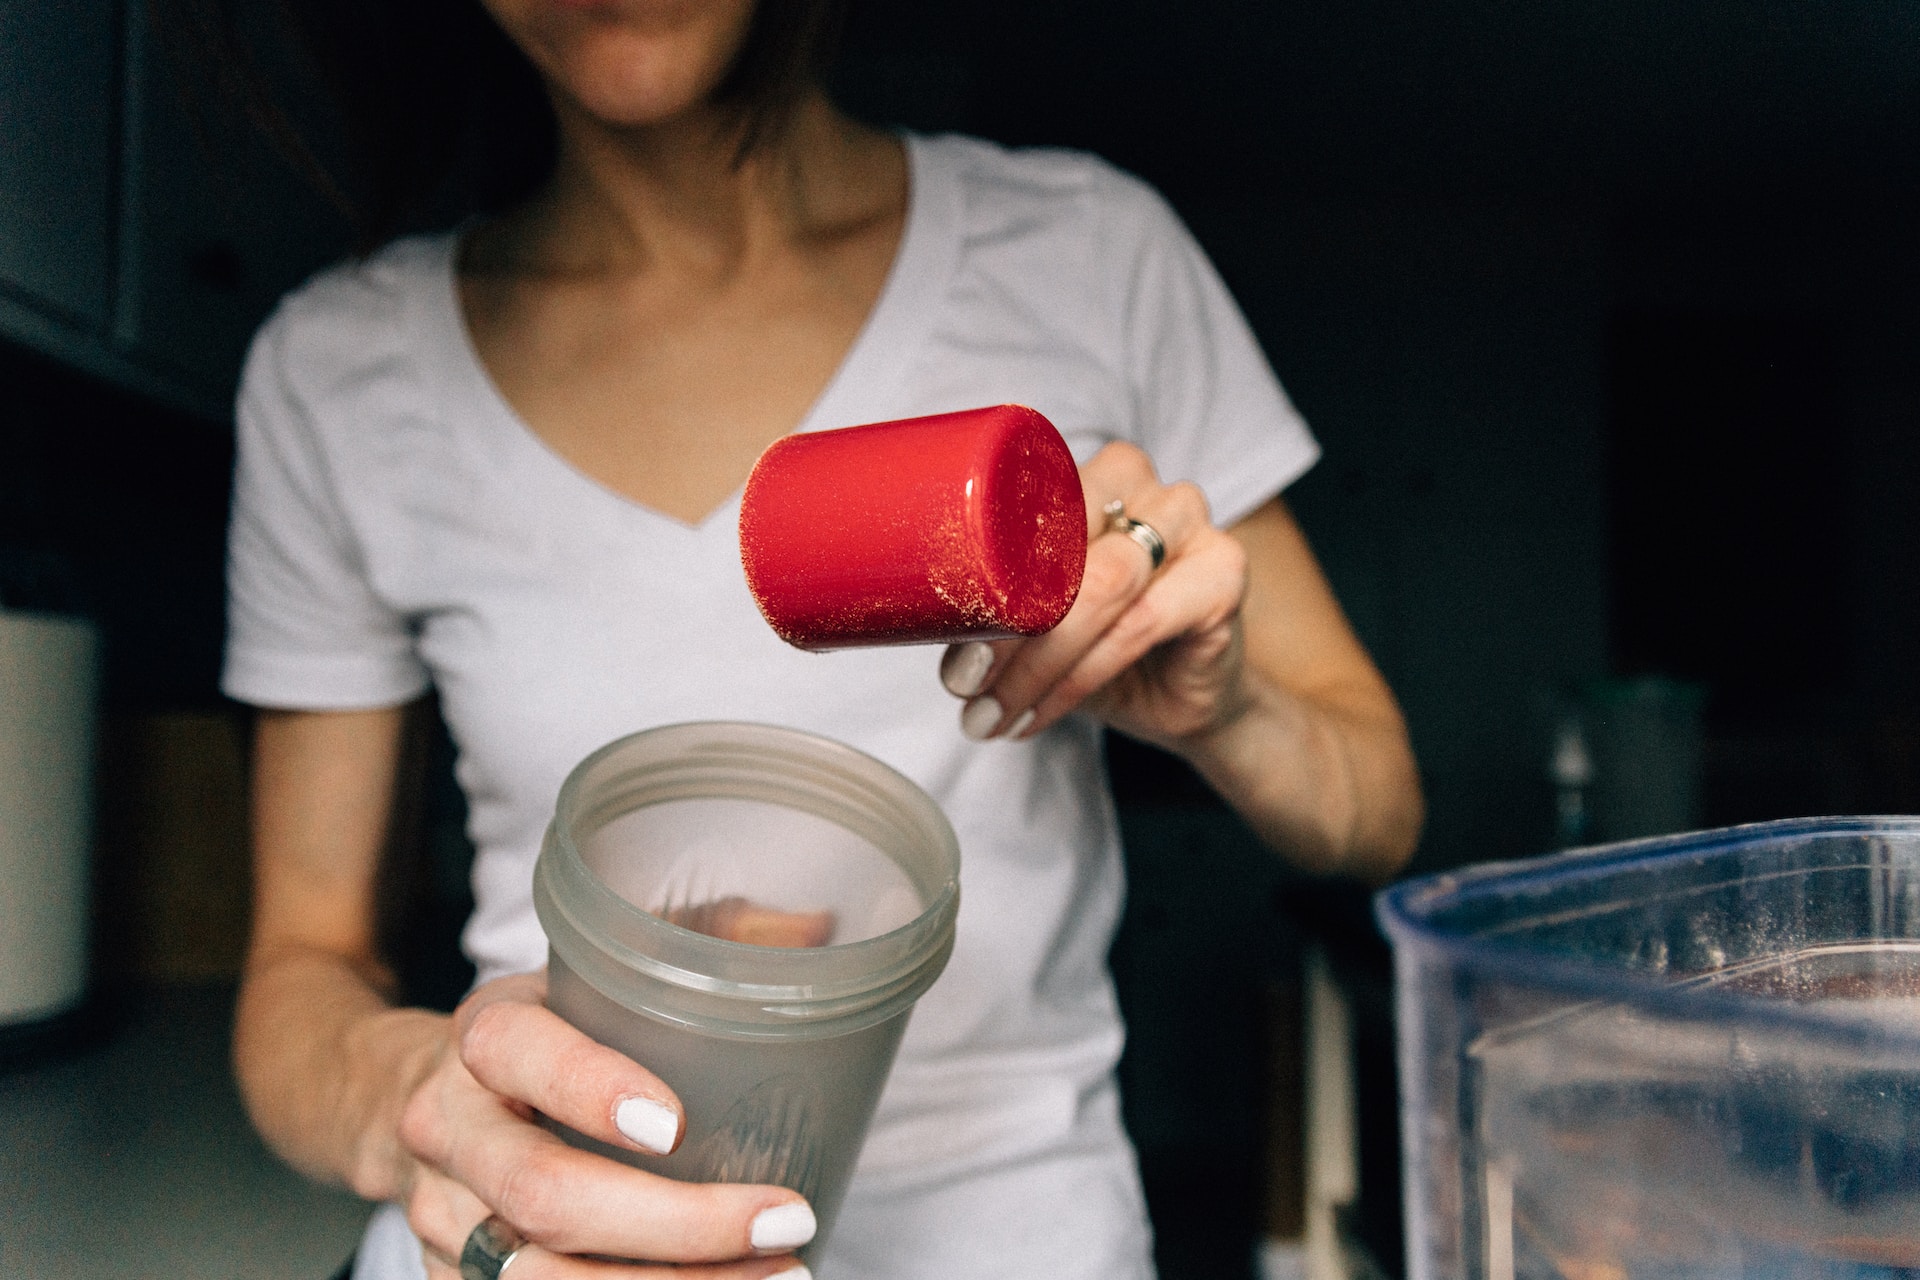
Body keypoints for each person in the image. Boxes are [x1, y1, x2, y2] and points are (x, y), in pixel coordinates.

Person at [219, 1, 1425, 1277]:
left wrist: (1227, 708)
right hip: (536, 1241)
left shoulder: (1088, 252)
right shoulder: (338, 371)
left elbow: (1380, 812)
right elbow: (304, 965)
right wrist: (430, 1110)